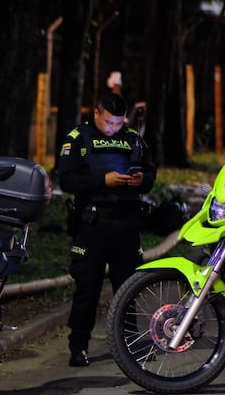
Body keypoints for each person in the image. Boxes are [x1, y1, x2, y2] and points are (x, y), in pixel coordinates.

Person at [57, 92, 156, 367]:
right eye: (109, 122)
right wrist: (103, 180)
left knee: (128, 287)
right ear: (96, 113)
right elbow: (67, 180)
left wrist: (141, 181)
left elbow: (150, 173)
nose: (113, 128)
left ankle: (131, 343)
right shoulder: (78, 138)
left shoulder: (132, 138)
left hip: (126, 223)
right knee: (87, 288)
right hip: (92, 224)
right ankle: (79, 346)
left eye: (119, 123)